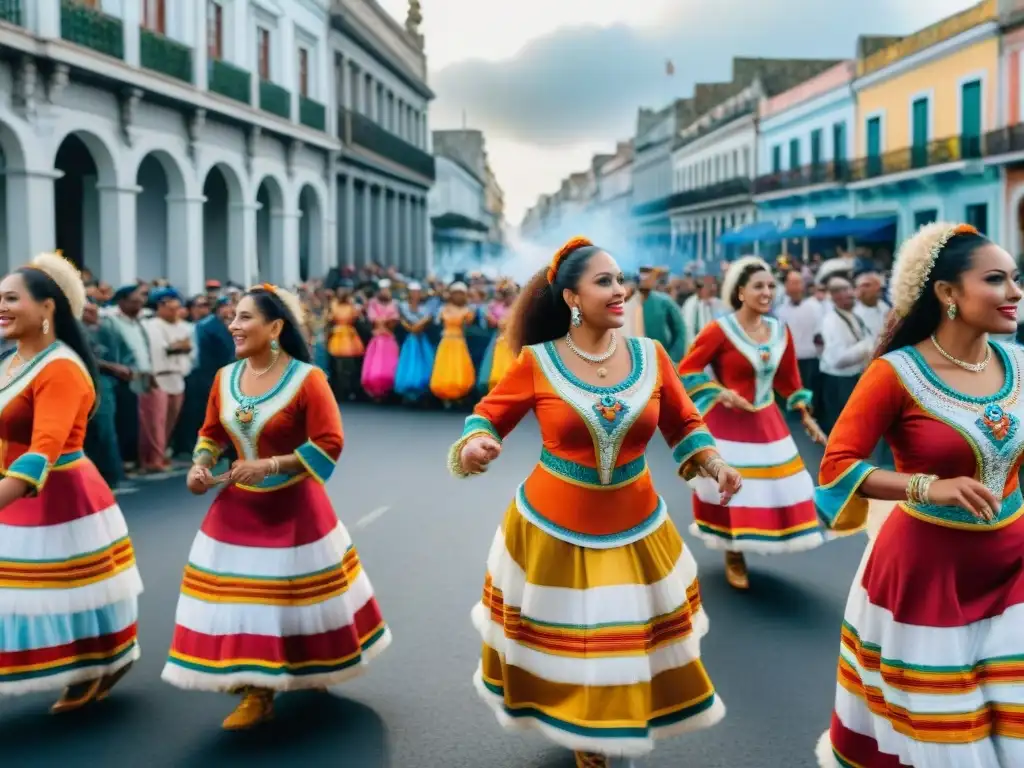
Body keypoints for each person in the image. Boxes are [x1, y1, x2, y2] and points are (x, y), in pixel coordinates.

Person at [448, 236, 741, 768]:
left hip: (636, 525)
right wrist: (474, 445)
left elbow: (686, 424)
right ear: (571, 298)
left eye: (620, 279)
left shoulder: (650, 356)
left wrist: (714, 463)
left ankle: (603, 731)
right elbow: (486, 415)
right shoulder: (536, 362)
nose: (620, 290)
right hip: (552, 526)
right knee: (574, 641)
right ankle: (590, 736)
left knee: (619, 642)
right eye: (604, 281)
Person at [814, 223, 1024, 768]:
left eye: (1015, 279)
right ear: (947, 294)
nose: (1015, 293)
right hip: (926, 577)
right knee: (946, 736)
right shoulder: (896, 373)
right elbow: (837, 468)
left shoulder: (1020, 364)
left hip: (1014, 567)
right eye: (996, 279)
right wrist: (928, 485)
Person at [163, 284, 390, 730]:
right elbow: (211, 432)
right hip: (235, 511)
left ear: (276, 327)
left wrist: (270, 464)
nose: (234, 325)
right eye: (233, 316)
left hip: (295, 511)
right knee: (243, 603)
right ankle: (257, 689)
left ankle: (303, 670)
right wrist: (200, 465)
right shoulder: (225, 378)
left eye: (245, 317)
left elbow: (329, 443)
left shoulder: (308, 379)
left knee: (289, 601)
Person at [0, 253, 143, 712]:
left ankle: (98, 663)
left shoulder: (60, 367)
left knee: (70, 592)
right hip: (16, 492)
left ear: (48, 308)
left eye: (10, 298)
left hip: (59, 494)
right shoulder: (12, 360)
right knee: (30, 594)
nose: (0, 307)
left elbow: (43, 448)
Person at [678, 256, 829, 590]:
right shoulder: (720, 330)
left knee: (774, 488)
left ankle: (755, 540)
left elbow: (789, 379)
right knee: (733, 492)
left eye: (771, 286)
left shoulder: (779, 330)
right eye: (758, 286)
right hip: (728, 426)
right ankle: (733, 552)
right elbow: (686, 370)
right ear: (741, 292)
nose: (767, 292)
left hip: (767, 421)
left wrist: (806, 416)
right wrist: (720, 392)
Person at [429, 282, 476, 405]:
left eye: (461, 294)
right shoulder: (444, 309)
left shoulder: (467, 310)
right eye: (456, 294)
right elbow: (436, 321)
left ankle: (458, 393)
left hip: (459, 341)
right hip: (446, 341)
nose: (458, 297)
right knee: (445, 366)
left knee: (458, 366)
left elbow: (470, 322)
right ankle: (445, 394)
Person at [361, 279, 400, 400]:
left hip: (388, 337)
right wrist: (384, 321)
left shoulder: (395, 303)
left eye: (387, 289)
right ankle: (376, 390)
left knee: (390, 363)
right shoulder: (373, 303)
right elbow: (372, 318)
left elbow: (394, 319)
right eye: (383, 290)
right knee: (376, 364)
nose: (385, 292)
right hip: (377, 338)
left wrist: (385, 321)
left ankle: (389, 390)